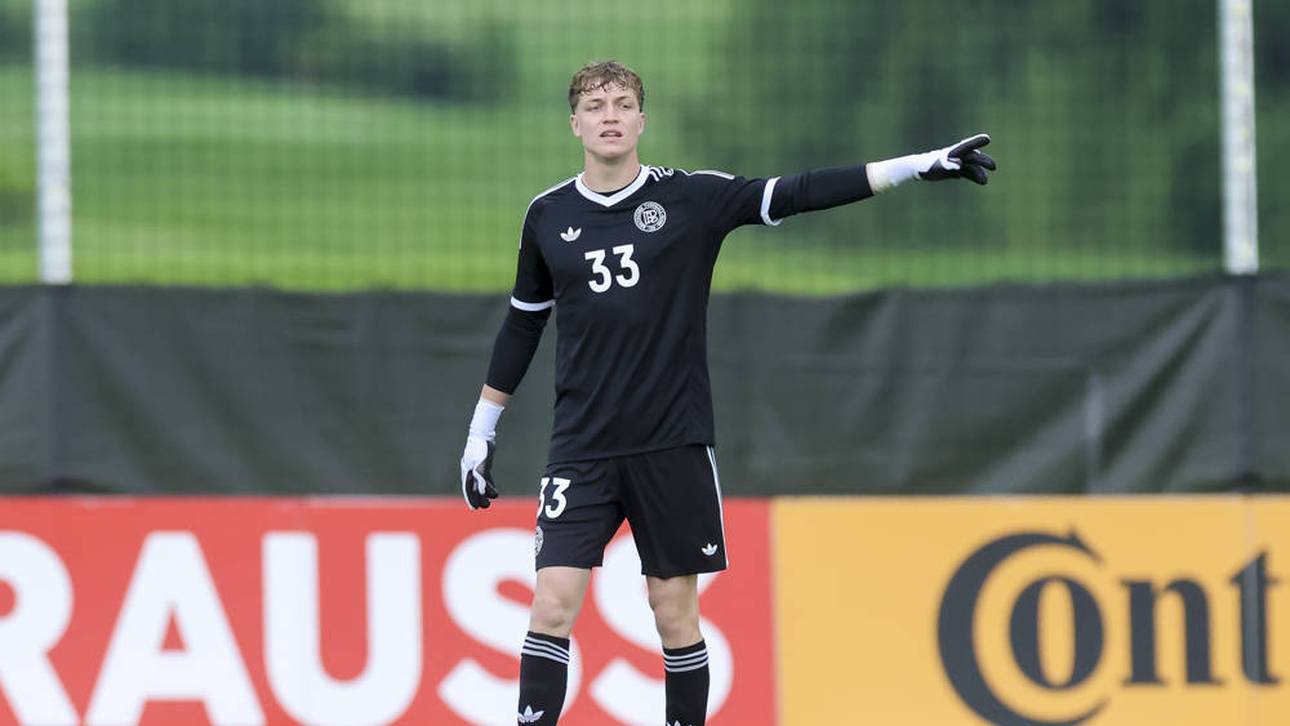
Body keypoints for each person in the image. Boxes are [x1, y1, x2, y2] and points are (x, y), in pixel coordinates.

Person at [458, 59, 995, 726]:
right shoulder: (548, 216)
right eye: (595, 107)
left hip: (672, 443)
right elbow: (522, 324)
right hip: (581, 448)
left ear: (641, 120)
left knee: (674, 612)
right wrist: (482, 430)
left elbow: (796, 192)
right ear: (575, 125)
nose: (610, 116)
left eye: (623, 104)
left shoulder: (691, 200)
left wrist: (918, 164)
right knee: (550, 604)